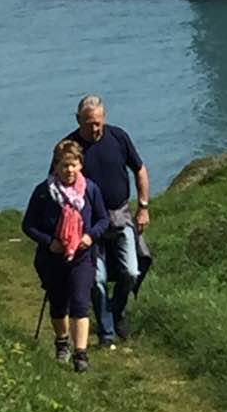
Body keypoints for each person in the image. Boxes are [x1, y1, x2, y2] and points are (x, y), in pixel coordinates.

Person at [66, 95, 150, 348]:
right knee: (97, 281)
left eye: (98, 122)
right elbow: (57, 183)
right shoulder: (70, 147)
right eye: (88, 123)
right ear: (78, 120)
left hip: (121, 214)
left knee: (131, 271)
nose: (94, 128)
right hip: (89, 224)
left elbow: (140, 170)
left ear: (104, 118)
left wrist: (143, 207)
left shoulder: (118, 137)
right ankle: (107, 332)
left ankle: (117, 310)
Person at [22, 140, 109, 372]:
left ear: (81, 165)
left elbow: (103, 219)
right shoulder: (43, 192)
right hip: (52, 259)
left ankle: (81, 355)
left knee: (80, 303)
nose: (69, 170)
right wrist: (49, 242)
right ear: (56, 166)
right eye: (64, 165)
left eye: (73, 164)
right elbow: (28, 225)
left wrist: (90, 236)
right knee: (59, 304)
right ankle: (62, 343)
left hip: (82, 257)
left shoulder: (90, 190)